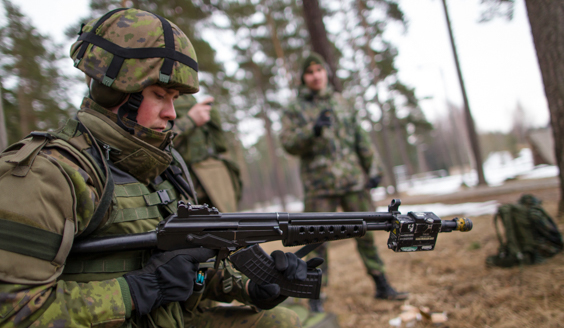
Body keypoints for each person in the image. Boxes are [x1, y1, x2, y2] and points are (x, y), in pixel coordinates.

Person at [0, 9, 319, 327]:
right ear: (114, 92)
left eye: (175, 98)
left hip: (169, 318)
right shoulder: (48, 175)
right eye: (159, 95)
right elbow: (14, 312)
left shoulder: (167, 167)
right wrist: (137, 291)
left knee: (280, 321)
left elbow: (189, 270)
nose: (172, 113)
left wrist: (252, 286)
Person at [279, 53, 408, 312]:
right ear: (304, 78)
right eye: (310, 72)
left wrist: (373, 168)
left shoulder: (342, 103)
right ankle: (315, 294)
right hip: (320, 185)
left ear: (326, 72)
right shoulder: (295, 108)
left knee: (366, 234)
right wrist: (312, 131)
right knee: (316, 238)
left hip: (353, 181)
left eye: (319, 69)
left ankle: (382, 284)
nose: (315, 75)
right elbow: (288, 143)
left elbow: (361, 137)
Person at [173, 95, 242, 213]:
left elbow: (220, 146)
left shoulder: (189, 97)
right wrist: (190, 120)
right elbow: (156, 140)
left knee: (227, 223)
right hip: (183, 180)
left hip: (214, 174)